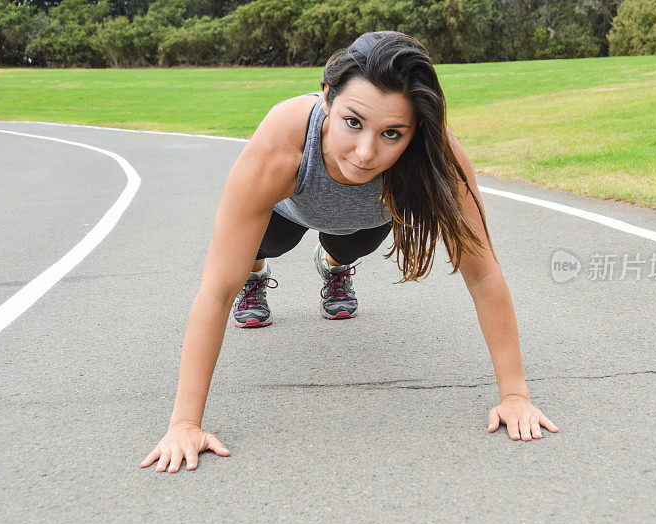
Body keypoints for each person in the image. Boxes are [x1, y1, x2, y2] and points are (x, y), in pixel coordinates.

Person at [141, 31, 559, 474]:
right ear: (326, 98)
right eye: (353, 122)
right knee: (263, 248)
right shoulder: (282, 143)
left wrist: (515, 396)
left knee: (349, 243)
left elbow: (483, 273)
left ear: (415, 131)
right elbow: (215, 291)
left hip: (364, 221)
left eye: (392, 134)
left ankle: (334, 267)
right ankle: (257, 274)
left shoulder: (439, 156)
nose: (365, 153)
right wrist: (185, 423)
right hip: (286, 213)